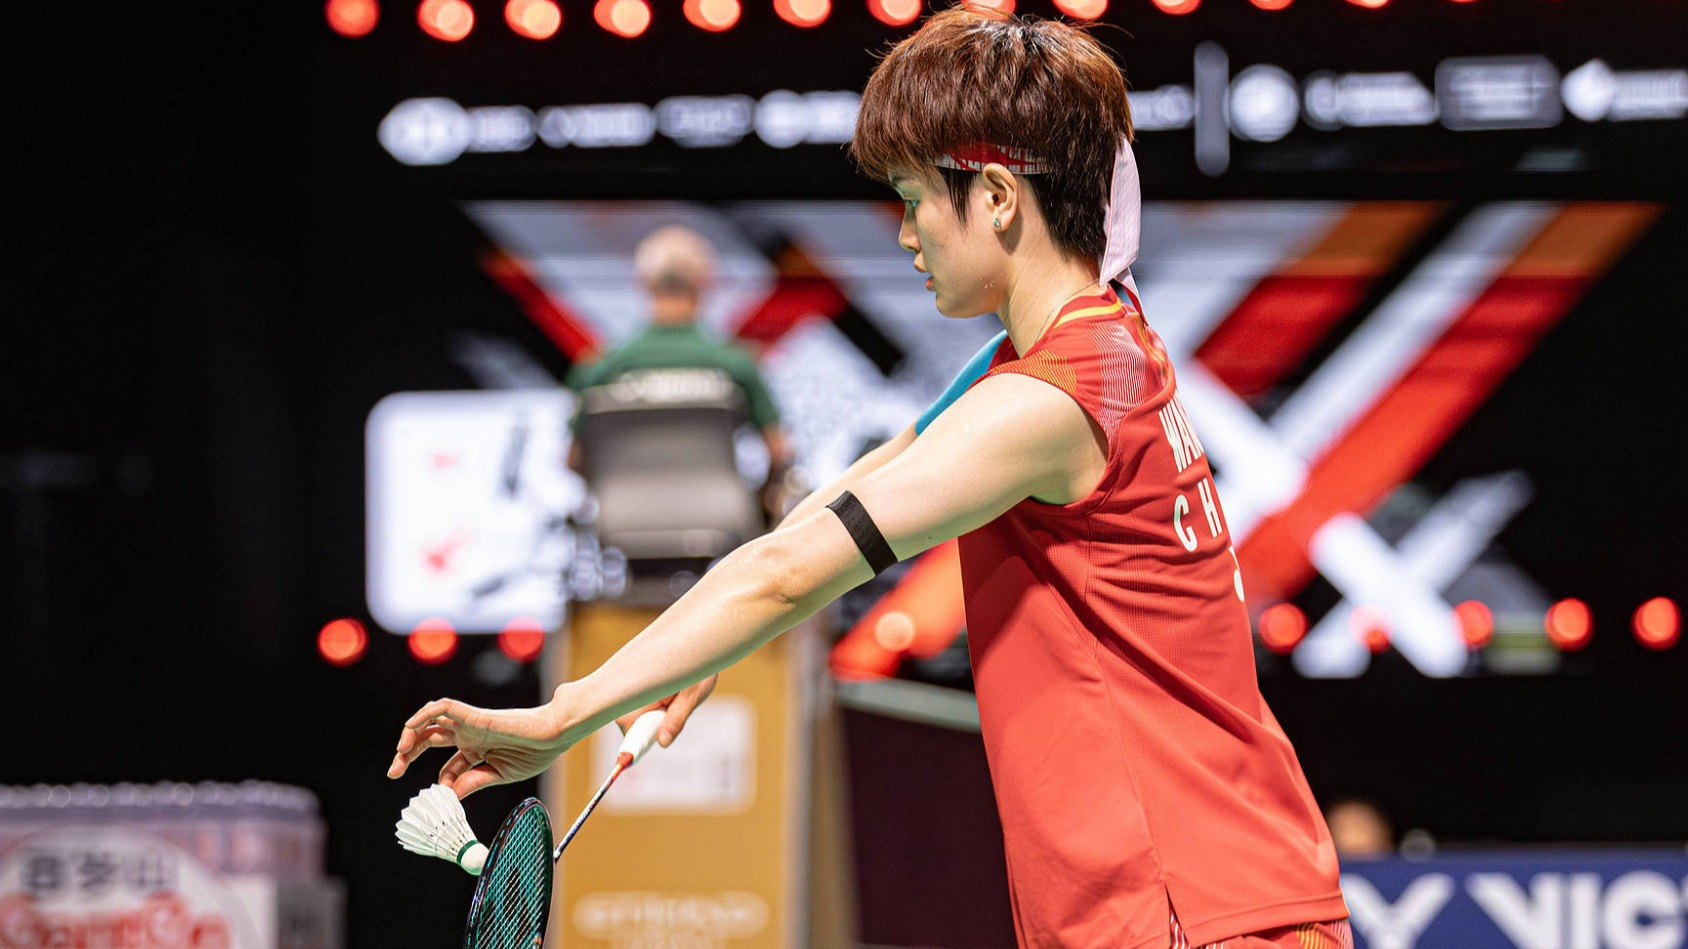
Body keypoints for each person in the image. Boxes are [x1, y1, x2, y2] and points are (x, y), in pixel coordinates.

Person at [389, 10, 1349, 948]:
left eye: (913, 197)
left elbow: (789, 572)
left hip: (1192, 902)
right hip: (1198, 893)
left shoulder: (1048, 403)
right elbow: (836, 506)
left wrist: (563, 716)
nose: (904, 234)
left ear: (998, 197)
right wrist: (704, 647)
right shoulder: (1088, 344)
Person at [566, 224, 790, 518]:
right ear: (705, 282)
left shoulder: (600, 370)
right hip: (719, 517)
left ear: (644, 282)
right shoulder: (736, 365)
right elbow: (779, 451)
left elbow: (573, 460)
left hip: (627, 520)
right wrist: (759, 502)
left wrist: (613, 492)